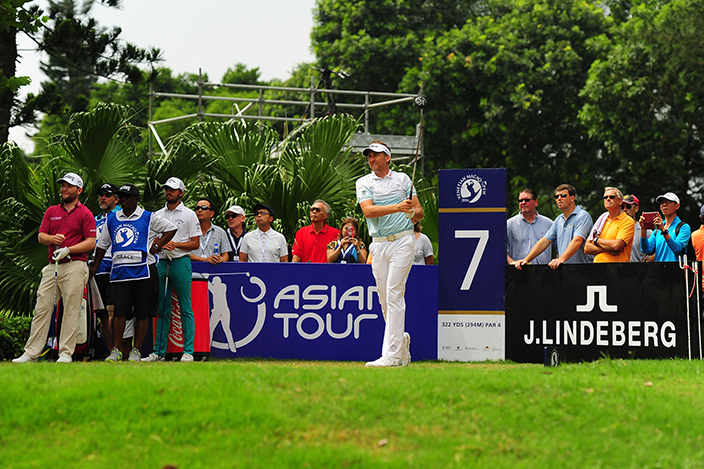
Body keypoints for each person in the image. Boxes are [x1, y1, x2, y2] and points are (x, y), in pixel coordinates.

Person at [13, 173, 97, 363]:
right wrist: (52, 239)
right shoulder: (52, 211)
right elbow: (41, 236)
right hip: (53, 265)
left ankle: (66, 353)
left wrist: (69, 249)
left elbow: (91, 242)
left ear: (79, 190)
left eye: (69, 186)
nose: (64, 189)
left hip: (75, 264)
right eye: (63, 185)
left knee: (71, 309)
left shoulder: (85, 213)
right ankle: (31, 353)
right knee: (42, 307)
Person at [90, 184, 177, 362]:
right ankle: (116, 350)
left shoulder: (148, 217)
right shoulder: (112, 219)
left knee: (142, 313)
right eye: (121, 197)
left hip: (144, 271)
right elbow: (102, 245)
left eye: (127, 197)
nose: (123, 200)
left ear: (137, 199)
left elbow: (171, 228)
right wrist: (95, 267)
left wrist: (156, 246)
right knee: (119, 312)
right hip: (120, 272)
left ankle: (136, 350)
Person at [357, 141, 423, 367]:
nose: (371, 159)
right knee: (384, 298)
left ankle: (392, 355)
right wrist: (398, 207)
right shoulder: (364, 182)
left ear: (387, 158)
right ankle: (401, 342)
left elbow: (419, 213)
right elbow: (368, 211)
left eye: (375, 155)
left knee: (394, 293)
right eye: (369, 156)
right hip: (378, 243)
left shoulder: (404, 179)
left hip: (403, 241)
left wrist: (411, 211)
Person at [143, 177, 202, 362]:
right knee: (161, 308)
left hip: (180, 261)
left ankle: (188, 351)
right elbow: (151, 239)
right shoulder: (157, 214)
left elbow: (195, 243)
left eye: (173, 189)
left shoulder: (189, 214)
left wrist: (174, 244)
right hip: (160, 260)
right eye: (167, 189)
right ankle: (158, 352)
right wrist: (159, 244)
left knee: (185, 307)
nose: (169, 192)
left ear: (181, 193)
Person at [513, 184, 593, 270]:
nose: (559, 198)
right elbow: (544, 241)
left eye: (563, 195)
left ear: (572, 198)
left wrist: (560, 259)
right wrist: (526, 259)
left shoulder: (582, 216)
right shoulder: (559, 220)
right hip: (566, 272)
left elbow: (577, 240)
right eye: (557, 196)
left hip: (583, 271)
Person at [92, 183, 120, 357]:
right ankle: (110, 352)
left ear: (116, 199)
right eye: (101, 194)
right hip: (97, 270)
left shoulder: (121, 215)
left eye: (107, 195)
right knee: (102, 314)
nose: (103, 197)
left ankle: (121, 350)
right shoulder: (94, 219)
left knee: (113, 312)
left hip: (115, 269)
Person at [584, 187, 635, 263]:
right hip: (597, 269)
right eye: (605, 197)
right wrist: (608, 249)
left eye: (612, 197)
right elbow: (587, 248)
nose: (608, 199)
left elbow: (616, 246)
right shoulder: (601, 220)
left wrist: (596, 240)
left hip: (617, 270)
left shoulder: (627, 221)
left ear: (620, 201)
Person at [506, 188, 553, 265]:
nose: (523, 203)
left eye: (527, 200)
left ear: (536, 202)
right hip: (518, 271)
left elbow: (560, 247)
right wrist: (511, 262)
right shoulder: (509, 224)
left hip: (543, 272)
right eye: (520, 200)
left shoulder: (549, 223)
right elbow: (500, 249)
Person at [639, 192, 690, 262]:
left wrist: (663, 230)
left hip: (676, 271)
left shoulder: (683, 227)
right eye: (662, 202)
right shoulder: (658, 228)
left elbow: (678, 249)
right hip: (659, 271)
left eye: (668, 202)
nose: (664, 204)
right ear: (660, 207)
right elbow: (646, 249)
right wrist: (643, 229)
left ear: (677, 206)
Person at [190, 197, 231, 263]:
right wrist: (205, 260)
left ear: (211, 213)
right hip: (192, 269)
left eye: (204, 208)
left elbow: (225, 255)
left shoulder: (220, 232)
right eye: (197, 208)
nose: (200, 210)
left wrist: (222, 259)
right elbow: (184, 254)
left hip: (213, 269)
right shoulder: (188, 230)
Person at [622, 194, 649, 262]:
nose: (625, 209)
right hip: (617, 269)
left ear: (636, 208)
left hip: (637, 270)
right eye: (622, 207)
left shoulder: (644, 229)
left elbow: (660, 247)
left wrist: (650, 258)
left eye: (628, 206)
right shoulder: (615, 227)